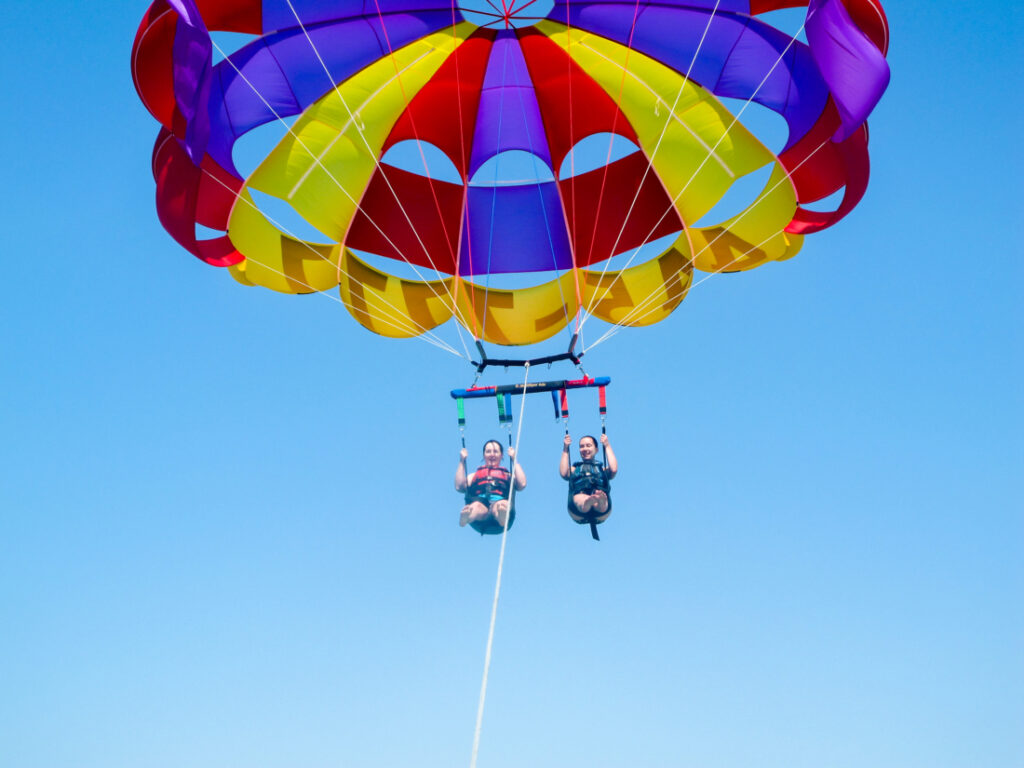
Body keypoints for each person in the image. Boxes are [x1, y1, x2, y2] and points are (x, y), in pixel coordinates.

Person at [455, 440, 527, 534]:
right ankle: (467, 517)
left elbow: (522, 484)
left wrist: (514, 459)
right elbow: (459, 486)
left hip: (500, 513)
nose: (492, 454)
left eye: (496, 451)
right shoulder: (473, 476)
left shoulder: (508, 476)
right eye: (488, 451)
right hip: (480, 517)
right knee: (476, 506)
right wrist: (462, 461)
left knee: (501, 505)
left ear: (501, 455)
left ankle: (502, 517)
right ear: (484, 455)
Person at [560, 433, 618, 525]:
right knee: (581, 498)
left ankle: (598, 502)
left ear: (596, 449)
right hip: (577, 510)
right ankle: (588, 502)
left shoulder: (603, 471)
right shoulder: (574, 469)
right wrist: (566, 448)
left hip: (601, 512)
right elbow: (563, 473)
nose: (585, 449)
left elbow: (614, 469)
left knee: (599, 498)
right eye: (582, 446)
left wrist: (607, 445)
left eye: (588, 445)